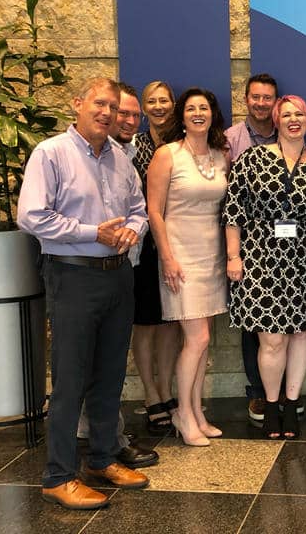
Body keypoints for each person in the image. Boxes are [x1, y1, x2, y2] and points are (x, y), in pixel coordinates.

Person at [18, 77, 149, 510]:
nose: (107, 113)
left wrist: (132, 229)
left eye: (113, 106)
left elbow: (138, 210)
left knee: (110, 375)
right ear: (77, 104)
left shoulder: (120, 158)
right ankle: (57, 476)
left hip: (117, 276)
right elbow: (31, 217)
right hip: (71, 275)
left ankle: (101, 459)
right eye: (99, 103)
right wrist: (92, 232)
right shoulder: (50, 153)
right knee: (71, 379)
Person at [224, 95, 306, 440]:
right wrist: (232, 257)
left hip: (305, 261)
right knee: (271, 340)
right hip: (259, 260)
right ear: (276, 120)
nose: (293, 119)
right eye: (286, 114)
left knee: (301, 333)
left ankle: (291, 404)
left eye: (299, 113)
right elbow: (232, 212)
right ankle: (271, 406)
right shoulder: (252, 159)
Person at [76, 82, 159, 469]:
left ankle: (106, 436)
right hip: (83, 270)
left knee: (110, 358)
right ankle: (103, 439)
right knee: (89, 359)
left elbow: (140, 210)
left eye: (130, 114)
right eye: (117, 111)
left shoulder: (130, 154)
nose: (123, 119)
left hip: (126, 266)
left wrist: (135, 230)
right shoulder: (76, 154)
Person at [147, 87, 229, 446]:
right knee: (198, 339)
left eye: (204, 108)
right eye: (192, 108)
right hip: (180, 257)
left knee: (203, 342)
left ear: (212, 114)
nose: (198, 113)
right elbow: (154, 210)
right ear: (181, 116)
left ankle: (196, 412)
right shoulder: (167, 155)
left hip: (212, 256)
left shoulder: (220, 155)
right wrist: (166, 256)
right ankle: (182, 412)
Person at [225, 73, 286, 422]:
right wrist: (234, 253)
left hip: (289, 250)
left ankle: (279, 393)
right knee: (254, 323)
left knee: (285, 327)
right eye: (256, 97)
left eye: (268, 98)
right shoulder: (231, 140)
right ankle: (259, 393)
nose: (262, 103)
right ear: (246, 99)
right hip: (249, 246)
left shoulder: (288, 135)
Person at [131, 81, 182, 434]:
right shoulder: (133, 145)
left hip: (180, 244)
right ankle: (150, 394)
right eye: (152, 101)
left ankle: (166, 389)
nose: (159, 106)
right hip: (144, 247)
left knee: (171, 322)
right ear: (143, 107)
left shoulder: (183, 143)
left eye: (164, 100)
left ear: (173, 104)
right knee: (145, 322)